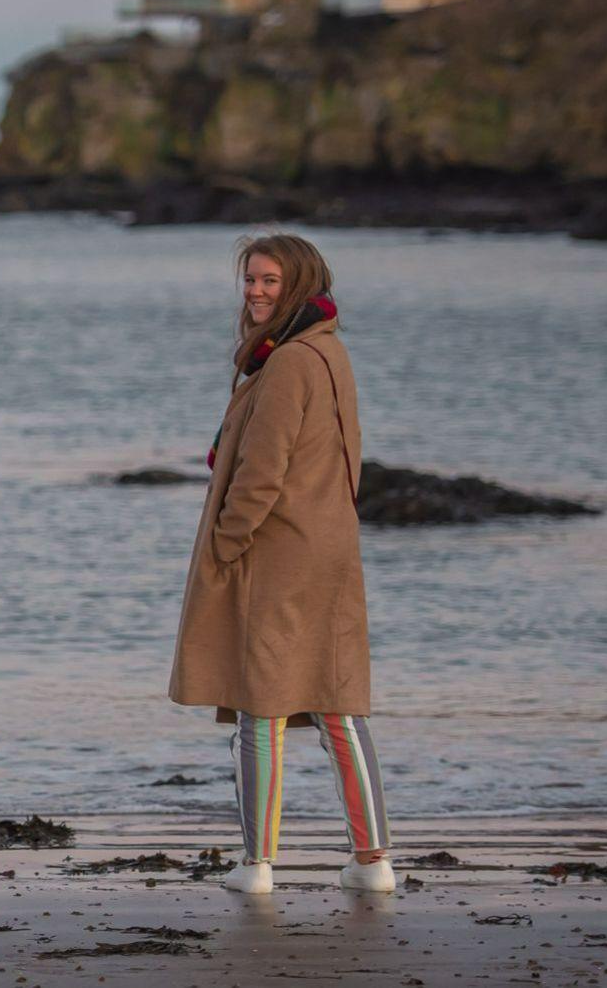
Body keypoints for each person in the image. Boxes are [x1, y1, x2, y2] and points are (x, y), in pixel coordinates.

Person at [169, 234, 394, 895]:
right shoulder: (329, 352)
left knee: (259, 708)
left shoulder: (291, 362)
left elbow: (262, 473)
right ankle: (374, 862)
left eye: (270, 281)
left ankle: (258, 867)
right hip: (328, 550)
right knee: (337, 704)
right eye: (251, 280)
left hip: (277, 554)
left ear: (300, 285)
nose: (257, 291)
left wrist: (225, 545)